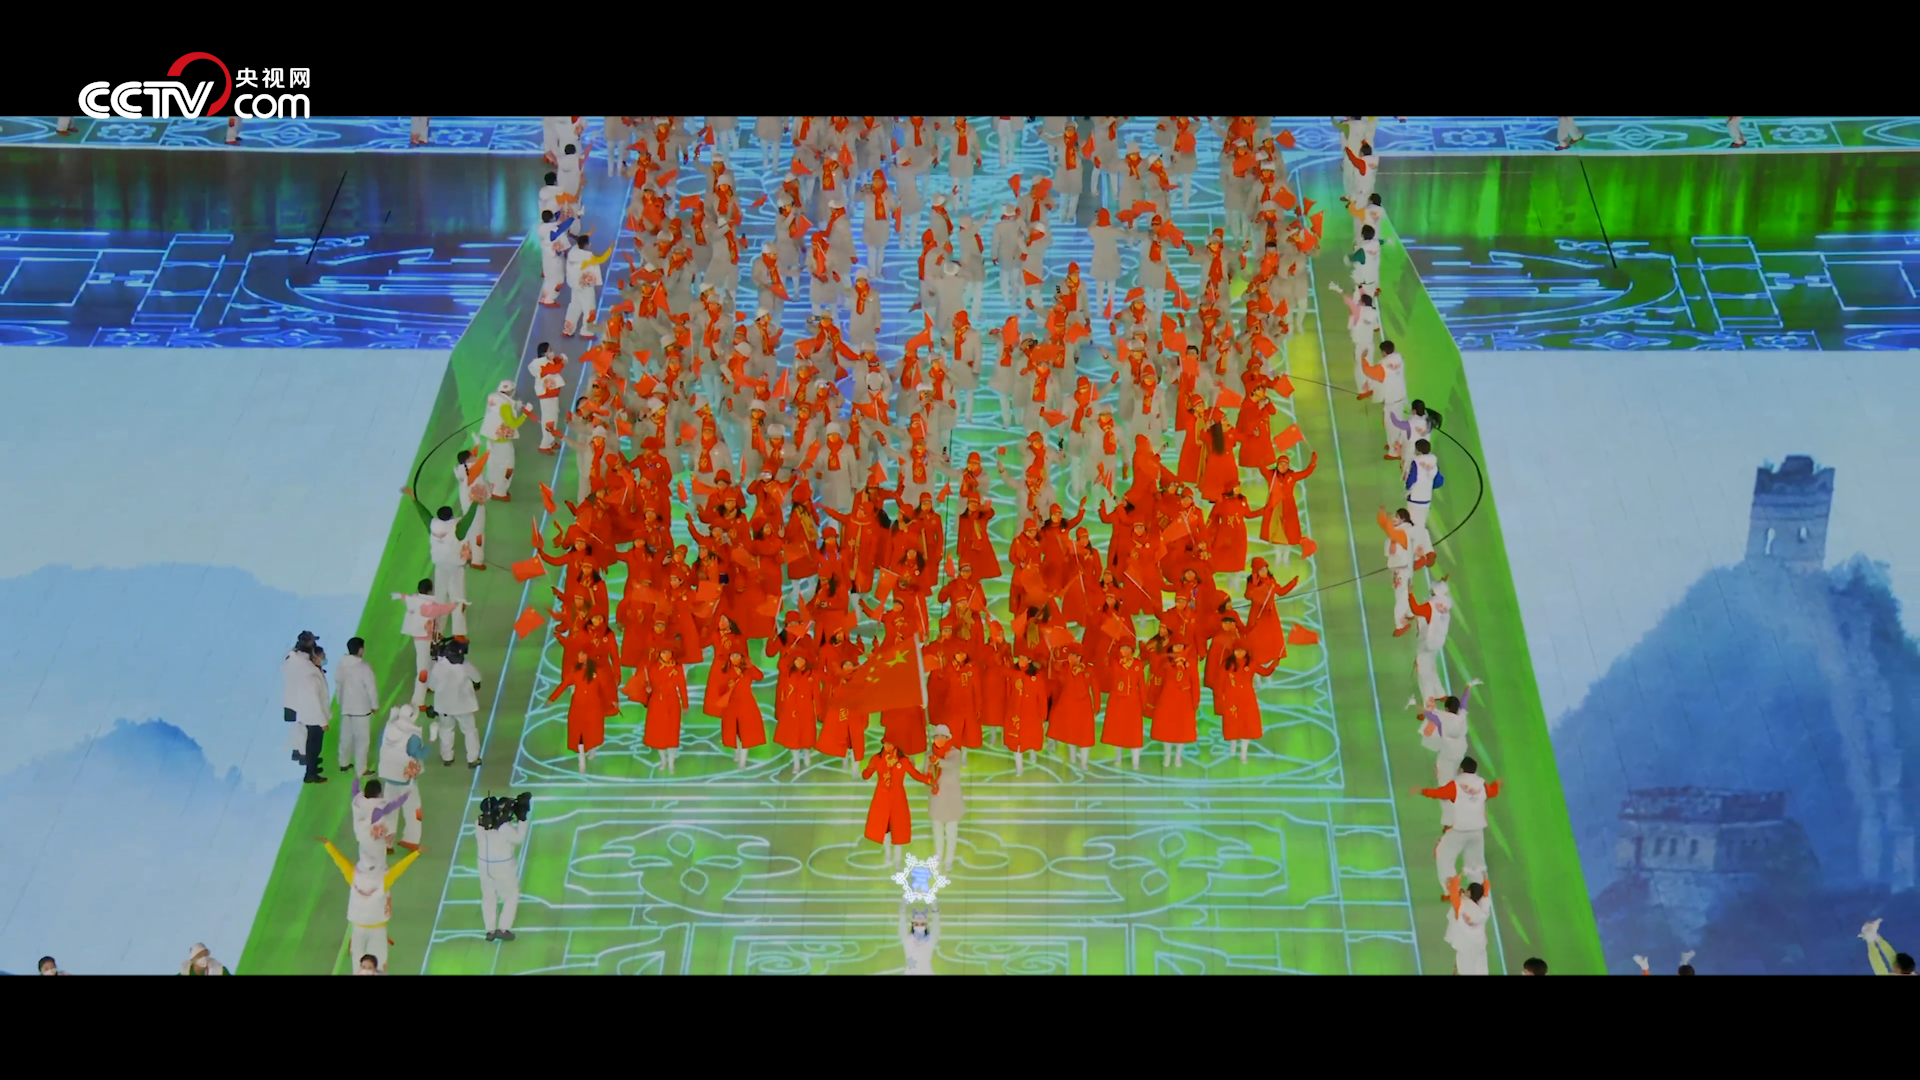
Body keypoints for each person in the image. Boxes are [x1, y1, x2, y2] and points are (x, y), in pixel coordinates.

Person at [319, 838, 423, 975]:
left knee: (359, 965)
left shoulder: (354, 876)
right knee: (377, 964)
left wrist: (328, 845)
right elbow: (399, 868)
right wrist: (415, 853)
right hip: (376, 929)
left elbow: (340, 861)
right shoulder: (383, 879)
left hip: (361, 928)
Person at [1413, 756, 1503, 897]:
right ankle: (1478, 893)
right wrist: (1497, 784)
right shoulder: (1482, 783)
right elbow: (1492, 792)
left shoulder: (1456, 784)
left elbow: (1438, 793)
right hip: (1478, 831)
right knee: (1475, 863)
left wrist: (1421, 791)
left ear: (1461, 769)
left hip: (1460, 830)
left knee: (1444, 854)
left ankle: (1451, 891)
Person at [863, 740, 933, 867]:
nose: (888, 746)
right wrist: (868, 769)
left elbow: (915, 775)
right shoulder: (877, 759)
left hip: (898, 800)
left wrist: (929, 780)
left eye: (890, 743)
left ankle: (898, 860)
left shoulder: (903, 761)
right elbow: (866, 775)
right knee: (884, 829)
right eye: (885, 743)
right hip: (881, 799)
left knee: (898, 831)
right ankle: (888, 855)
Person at [476, 794, 530, 943]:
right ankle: (503, 929)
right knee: (511, 895)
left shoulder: (478, 823)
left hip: (484, 865)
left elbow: (494, 822)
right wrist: (522, 819)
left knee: (488, 896)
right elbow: (519, 838)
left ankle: (490, 930)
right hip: (503, 866)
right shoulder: (504, 828)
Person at [375, 705, 429, 852]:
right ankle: (410, 840)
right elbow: (418, 754)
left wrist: (392, 717)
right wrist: (432, 741)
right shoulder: (413, 735)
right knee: (413, 810)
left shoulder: (389, 727)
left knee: (389, 810)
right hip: (406, 780)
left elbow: (380, 744)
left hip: (388, 775)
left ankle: (387, 844)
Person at [425, 638, 484, 769]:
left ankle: (447, 757)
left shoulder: (439, 667)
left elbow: (431, 685)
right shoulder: (465, 665)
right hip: (464, 706)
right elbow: (477, 678)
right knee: (470, 731)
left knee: (446, 731)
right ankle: (472, 758)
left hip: (444, 707)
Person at [285, 638, 331, 784]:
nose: (324, 659)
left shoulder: (313, 672)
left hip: (312, 716)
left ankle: (313, 767)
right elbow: (315, 702)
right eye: (322, 657)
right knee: (314, 746)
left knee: (314, 745)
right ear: (315, 658)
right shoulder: (312, 677)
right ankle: (311, 773)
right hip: (314, 718)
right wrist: (323, 721)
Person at [334, 637, 379, 776]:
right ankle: (361, 769)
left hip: (346, 707)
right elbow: (371, 688)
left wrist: (341, 702)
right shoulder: (364, 667)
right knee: (362, 740)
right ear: (360, 649)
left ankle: (343, 762)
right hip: (361, 709)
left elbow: (338, 685)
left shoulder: (341, 665)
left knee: (346, 737)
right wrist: (375, 705)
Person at [925, 723, 965, 869]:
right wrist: (930, 782)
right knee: (937, 831)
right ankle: (938, 856)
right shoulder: (929, 755)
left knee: (951, 832)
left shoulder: (955, 753)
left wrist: (938, 761)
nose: (940, 739)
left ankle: (949, 860)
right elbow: (926, 775)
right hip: (937, 799)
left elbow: (950, 765)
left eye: (943, 736)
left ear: (948, 738)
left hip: (951, 800)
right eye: (937, 736)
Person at [1445, 876, 1493, 976]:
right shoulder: (1484, 909)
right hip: (1479, 947)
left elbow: (1453, 890)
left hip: (1465, 949)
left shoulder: (1461, 906)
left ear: (1469, 892)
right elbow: (1486, 889)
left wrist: (1460, 875)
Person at [899, 898, 939, 976]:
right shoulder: (907, 939)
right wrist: (903, 905)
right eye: (916, 924)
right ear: (912, 924)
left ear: (926, 924)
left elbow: (936, 925)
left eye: (922, 924)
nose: (919, 926)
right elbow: (902, 923)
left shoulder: (930, 940)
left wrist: (934, 908)